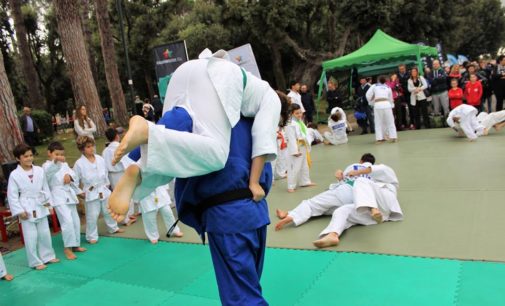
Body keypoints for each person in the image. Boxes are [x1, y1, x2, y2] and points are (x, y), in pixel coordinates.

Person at [107, 49, 288, 306]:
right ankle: (146, 147)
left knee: (244, 297)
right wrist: (255, 182)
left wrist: (142, 149)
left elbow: (175, 122)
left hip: (229, 216)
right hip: (253, 212)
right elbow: (264, 143)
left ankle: (144, 154)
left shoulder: (203, 111)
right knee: (248, 290)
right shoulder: (253, 114)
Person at [313, 159, 404, 248]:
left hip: (385, 200)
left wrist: (357, 172)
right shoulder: (371, 181)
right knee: (342, 210)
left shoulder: (384, 169)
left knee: (360, 180)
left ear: (361, 161)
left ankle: (373, 209)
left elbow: (373, 169)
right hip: (382, 215)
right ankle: (333, 235)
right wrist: (341, 177)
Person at [275, 153, 375, 231]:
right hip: (356, 202)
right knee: (324, 210)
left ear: (361, 161)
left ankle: (291, 216)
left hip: (342, 192)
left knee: (311, 204)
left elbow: (342, 178)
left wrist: (339, 174)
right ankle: (289, 212)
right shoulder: (376, 171)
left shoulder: (355, 166)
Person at [7, 143, 60, 270]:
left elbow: (45, 188)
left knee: (44, 233)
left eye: (31, 155)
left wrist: (49, 204)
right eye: (25, 156)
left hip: (40, 203)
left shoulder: (39, 170)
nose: (29, 158)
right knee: (31, 236)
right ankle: (35, 261)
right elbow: (12, 195)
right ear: (18, 158)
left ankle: (48, 256)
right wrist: (19, 211)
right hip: (26, 205)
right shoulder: (14, 174)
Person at [73, 136, 124, 244]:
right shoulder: (79, 164)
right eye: (88, 147)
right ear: (82, 149)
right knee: (92, 215)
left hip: (103, 189)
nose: (91, 149)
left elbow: (105, 174)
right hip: (90, 192)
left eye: (92, 146)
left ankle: (113, 228)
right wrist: (80, 193)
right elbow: (74, 181)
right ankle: (91, 236)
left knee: (108, 210)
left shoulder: (100, 159)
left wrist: (107, 185)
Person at [42, 142, 87, 260]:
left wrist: (69, 176)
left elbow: (74, 175)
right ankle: (68, 248)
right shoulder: (46, 166)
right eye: (56, 154)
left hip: (69, 195)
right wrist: (56, 162)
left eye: (61, 154)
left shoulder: (65, 164)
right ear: (49, 153)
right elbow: (48, 174)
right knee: (67, 222)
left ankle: (75, 244)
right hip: (57, 196)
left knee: (75, 221)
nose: (59, 157)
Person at [102, 128, 136, 227]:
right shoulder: (121, 147)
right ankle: (126, 219)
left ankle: (127, 216)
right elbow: (128, 162)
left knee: (118, 195)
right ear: (117, 136)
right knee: (126, 195)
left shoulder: (105, 151)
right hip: (122, 173)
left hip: (111, 175)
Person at [285, 104, 315, 192]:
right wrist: (294, 151)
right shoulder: (289, 124)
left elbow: (304, 132)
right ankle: (291, 186)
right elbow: (291, 138)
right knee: (295, 167)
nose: (299, 115)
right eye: (297, 113)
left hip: (303, 145)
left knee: (304, 165)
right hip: (296, 147)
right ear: (291, 114)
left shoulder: (299, 121)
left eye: (300, 112)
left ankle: (305, 181)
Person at [367, 76, 397, 143]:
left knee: (378, 122)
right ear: (385, 81)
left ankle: (379, 139)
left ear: (378, 80)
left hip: (378, 104)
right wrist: (391, 106)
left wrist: (371, 102)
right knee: (390, 121)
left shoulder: (374, 86)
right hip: (387, 104)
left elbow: (368, 95)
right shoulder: (388, 87)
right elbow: (391, 98)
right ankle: (394, 137)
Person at [397, 65, 413, 129]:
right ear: (399, 69)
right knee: (402, 110)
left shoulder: (409, 74)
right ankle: (404, 124)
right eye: (400, 69)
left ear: (405, 68)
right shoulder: (397, 76)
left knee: (411, 109)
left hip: (409, 94)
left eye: (403, 68)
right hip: (401, 95)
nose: (402, 70)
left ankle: (412, 123)